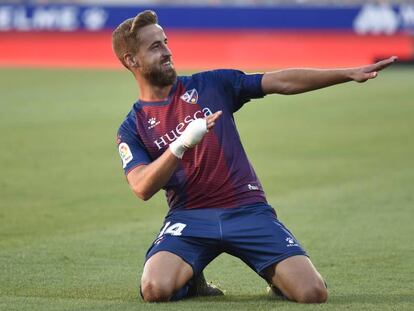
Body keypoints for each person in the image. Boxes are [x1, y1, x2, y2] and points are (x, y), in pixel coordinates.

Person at [112, 10, 396, 303]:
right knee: (155, 289)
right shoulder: (133, 126)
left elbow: (280, 81)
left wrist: (347, 74)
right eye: (155, 46)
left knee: (312, 293)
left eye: (166, 41)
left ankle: (279, 279)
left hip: (247, 210)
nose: (167, 51)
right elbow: (142, 186)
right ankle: (193, 281)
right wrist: (181, 145)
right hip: (189, 219)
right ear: (131, 60)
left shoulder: (212, 85)